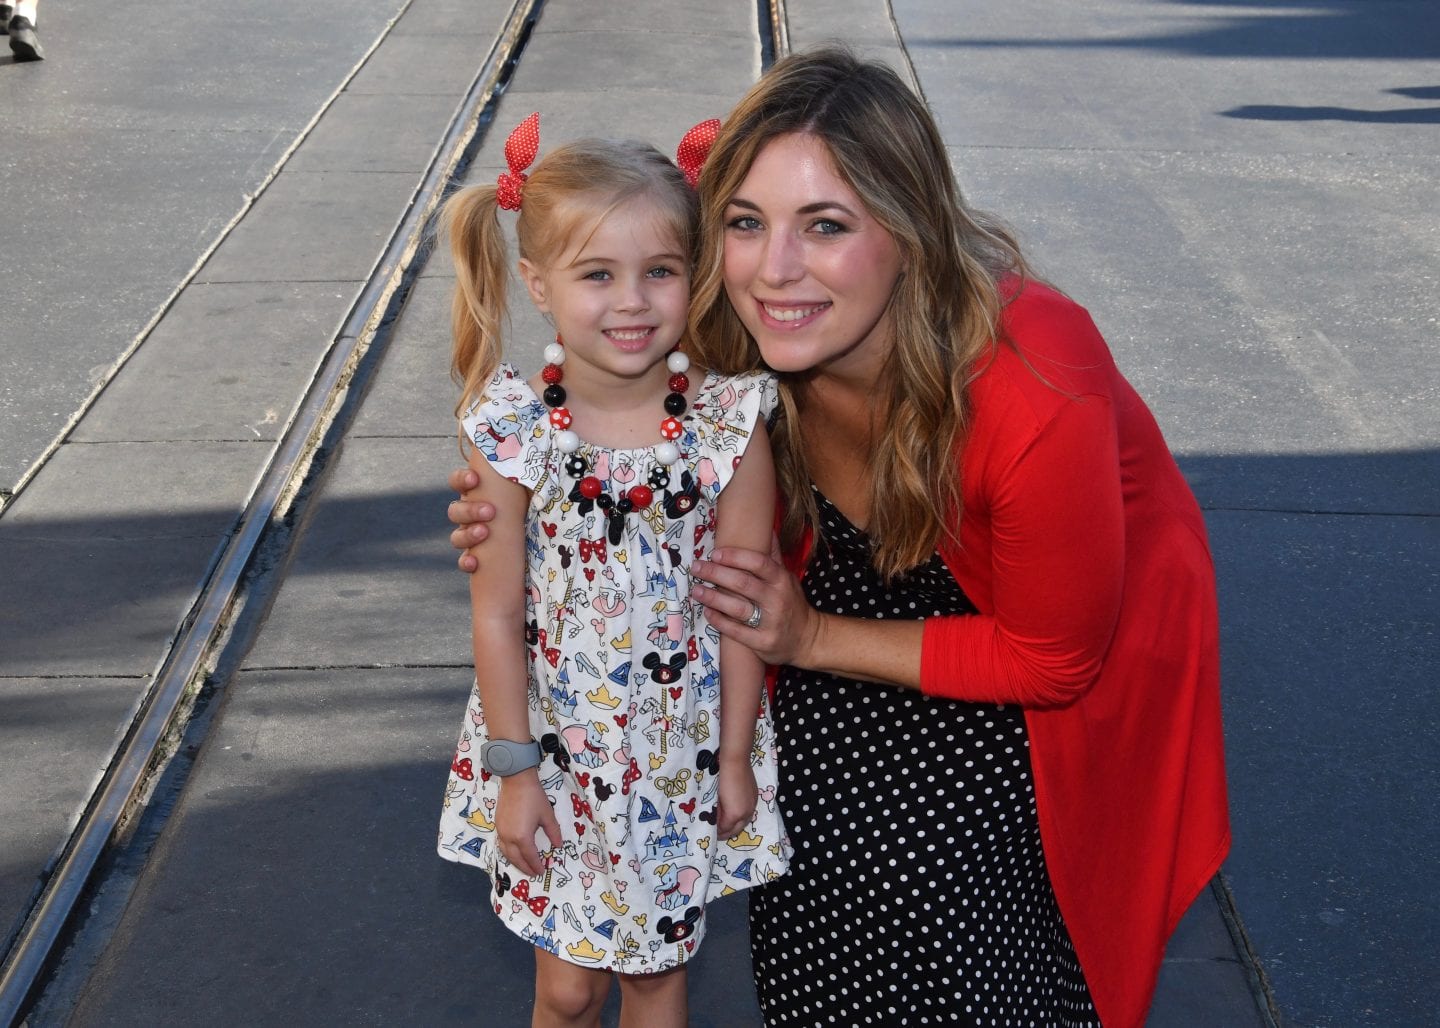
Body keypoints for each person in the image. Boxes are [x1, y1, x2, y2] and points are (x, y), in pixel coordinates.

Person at [447, 48, 1230, 1028]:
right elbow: (611, 421)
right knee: (803, 820)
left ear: (909, 232)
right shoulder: (730, 335)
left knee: (936, 856)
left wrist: (810, 636)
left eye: (825, 225)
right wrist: (517, 506)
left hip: (1055, 615)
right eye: (745, 223)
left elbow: (1054, 654)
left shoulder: (1036, 376)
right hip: (841, 570)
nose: (775, 270)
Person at [434, 113, 789, 1028]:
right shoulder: (518, 434)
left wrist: (736, 759)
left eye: (659, 272)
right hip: (553, 750)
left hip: (678, 756)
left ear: (692, 276)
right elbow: (495, 616)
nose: (632, 301)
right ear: (538, 285)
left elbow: (746, 606)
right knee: (565, 986)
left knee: (656, 980)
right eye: (599, 274)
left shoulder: (727, 427)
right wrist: (516, 774)